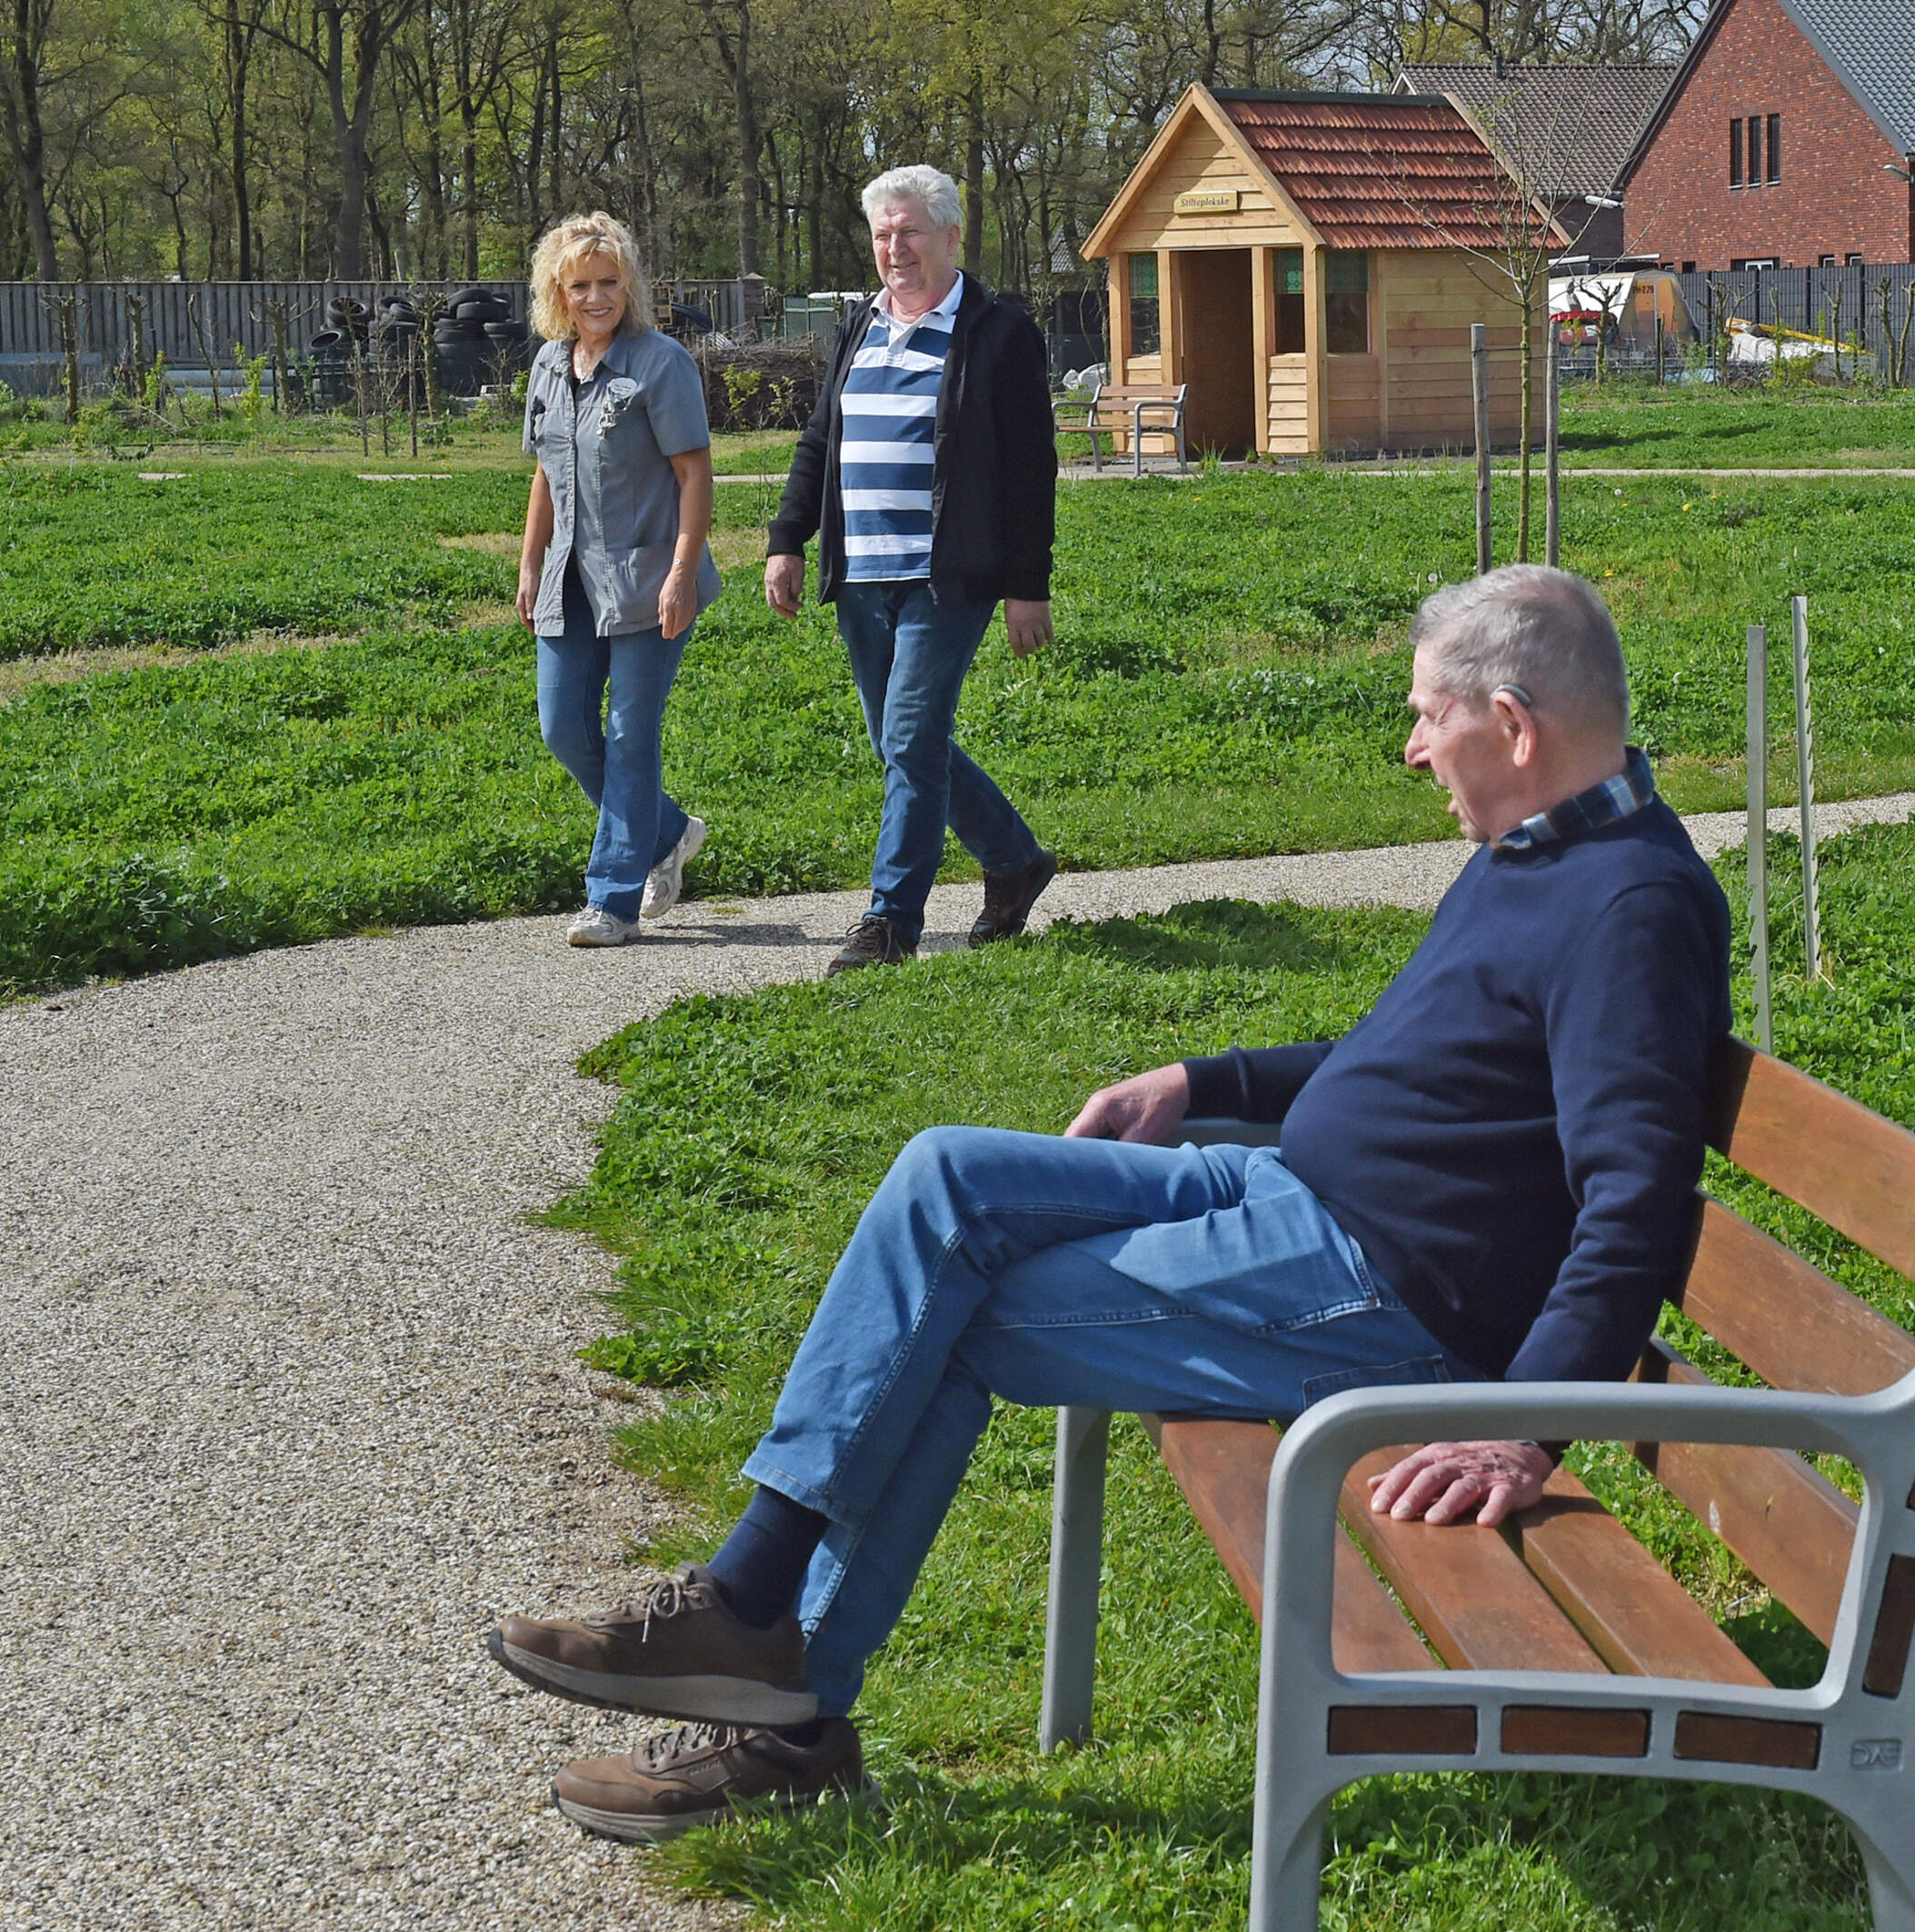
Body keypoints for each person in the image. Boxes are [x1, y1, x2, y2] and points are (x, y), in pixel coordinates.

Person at [489, 565, 1731, 1841]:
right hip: (1294, 1194)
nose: (1410, 749)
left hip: (1382, 1290)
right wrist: (1198, 1080)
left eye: (1427, 717)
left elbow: (1631, 1199)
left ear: (1514, 725)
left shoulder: (1627, 907)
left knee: (948, 1319)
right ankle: (754, 1609)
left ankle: (784, 1709)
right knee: (945, 1176)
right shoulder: (1541, 850)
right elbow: (1408, 1065)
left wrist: (1517, 1427)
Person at [763, 164, 1062, 971]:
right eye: (883, 235)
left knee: (908, 735)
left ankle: (890, 922)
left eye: (910, 232)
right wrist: (787, 539)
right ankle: (1013, 861)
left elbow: (1032, 472)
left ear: (952, 236)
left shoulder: (998, 332)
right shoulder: (858, 326)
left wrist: (1026, 588)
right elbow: (819, 442)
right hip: (861, 574)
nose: (894, 249)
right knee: (902, 742)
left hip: (949, 576)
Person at [517, 210, 722, 950]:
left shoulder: (659, 362)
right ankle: (667, 831)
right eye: (580, 285)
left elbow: (694, 474)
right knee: (562, 726)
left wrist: (680, 575)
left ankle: (611, 900)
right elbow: (546, 468)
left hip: (649, 574)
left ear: (627, 286)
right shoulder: (547, 364)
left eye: (609, 283)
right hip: (569, 576)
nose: (596, 297)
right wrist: (530, 559)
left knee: (630, 735)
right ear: (557, 292)